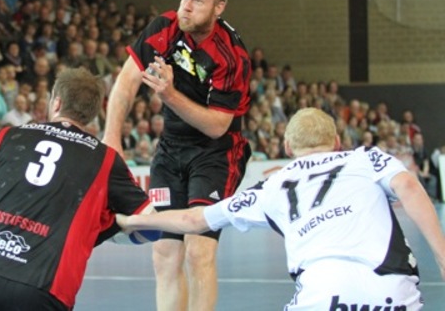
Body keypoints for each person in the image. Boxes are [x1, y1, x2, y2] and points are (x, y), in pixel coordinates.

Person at [116, 108, 445, 311]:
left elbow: (193, 219)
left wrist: (132, 220)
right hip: (390, 291)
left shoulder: (273, 185)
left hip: (321, 295)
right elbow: (409, 186)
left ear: (287, 147)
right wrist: (443, 258)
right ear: (336, 142)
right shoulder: (366, 157)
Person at [0, 67, 152, 311]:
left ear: (56, 102)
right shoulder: (106, 159)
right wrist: (110, 234)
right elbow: (152, 225)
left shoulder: (9, 136)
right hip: (46, 287)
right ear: (92, 113)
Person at [104, 0, 251, 311]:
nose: (186, 6)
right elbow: (126, 81)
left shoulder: (232, 56)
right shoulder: (164, 28)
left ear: (218, 8)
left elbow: (217, 127)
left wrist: (169, 95)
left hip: (216, 153)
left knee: (199, 251)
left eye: (197, 1)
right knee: (164, 251)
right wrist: (112, 138)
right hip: (170, 149)